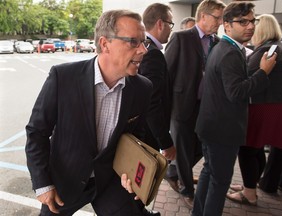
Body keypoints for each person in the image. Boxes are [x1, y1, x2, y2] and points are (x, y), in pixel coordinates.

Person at [25, 9, 161, 216]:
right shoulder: (63, 78)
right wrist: (42, 184)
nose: (143, 50)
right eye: (133, 42)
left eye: (144, 42)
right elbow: (37, 132)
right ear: (105, 44)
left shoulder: (142, 88)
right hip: (65, 181)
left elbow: (136, 138)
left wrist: (131, 173)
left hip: (110, 181)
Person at [193, 2, 277, 216]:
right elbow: (237, 92)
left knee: (209, 175)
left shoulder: (225, 47)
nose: (250, 26)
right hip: (222, 131)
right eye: (243, 22)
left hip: (213, 127)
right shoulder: (229, 51)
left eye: (252, 21)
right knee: (219, 183)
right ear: (227, 25)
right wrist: (263, 72)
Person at [164, 0, 226, 209]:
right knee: (182, 150)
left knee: (200, 146)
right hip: (181, 105)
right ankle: (186, 189)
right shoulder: (181, 38)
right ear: (203, 16)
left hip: (206, 106)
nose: (220, 22)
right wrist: (167, 108)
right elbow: (167, 74)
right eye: (217, 17)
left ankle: (173, 172)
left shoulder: (218, 42)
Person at [226, 13, 282, 205]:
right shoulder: (277, 46)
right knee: (256, 149)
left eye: (253, 24)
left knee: (247, 149)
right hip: (273, 106)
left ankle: (249, 193)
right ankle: (249, 184)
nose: (250, 28)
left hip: (264, 107)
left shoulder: (268, 49)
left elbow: (248, 77)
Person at [139, 3, 176, 161]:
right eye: (170, 24)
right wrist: (165, 142)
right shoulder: (152, 54)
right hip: (147, 136)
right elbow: (151, 102)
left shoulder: (143, 46)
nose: (171, 29)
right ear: (160, 24)